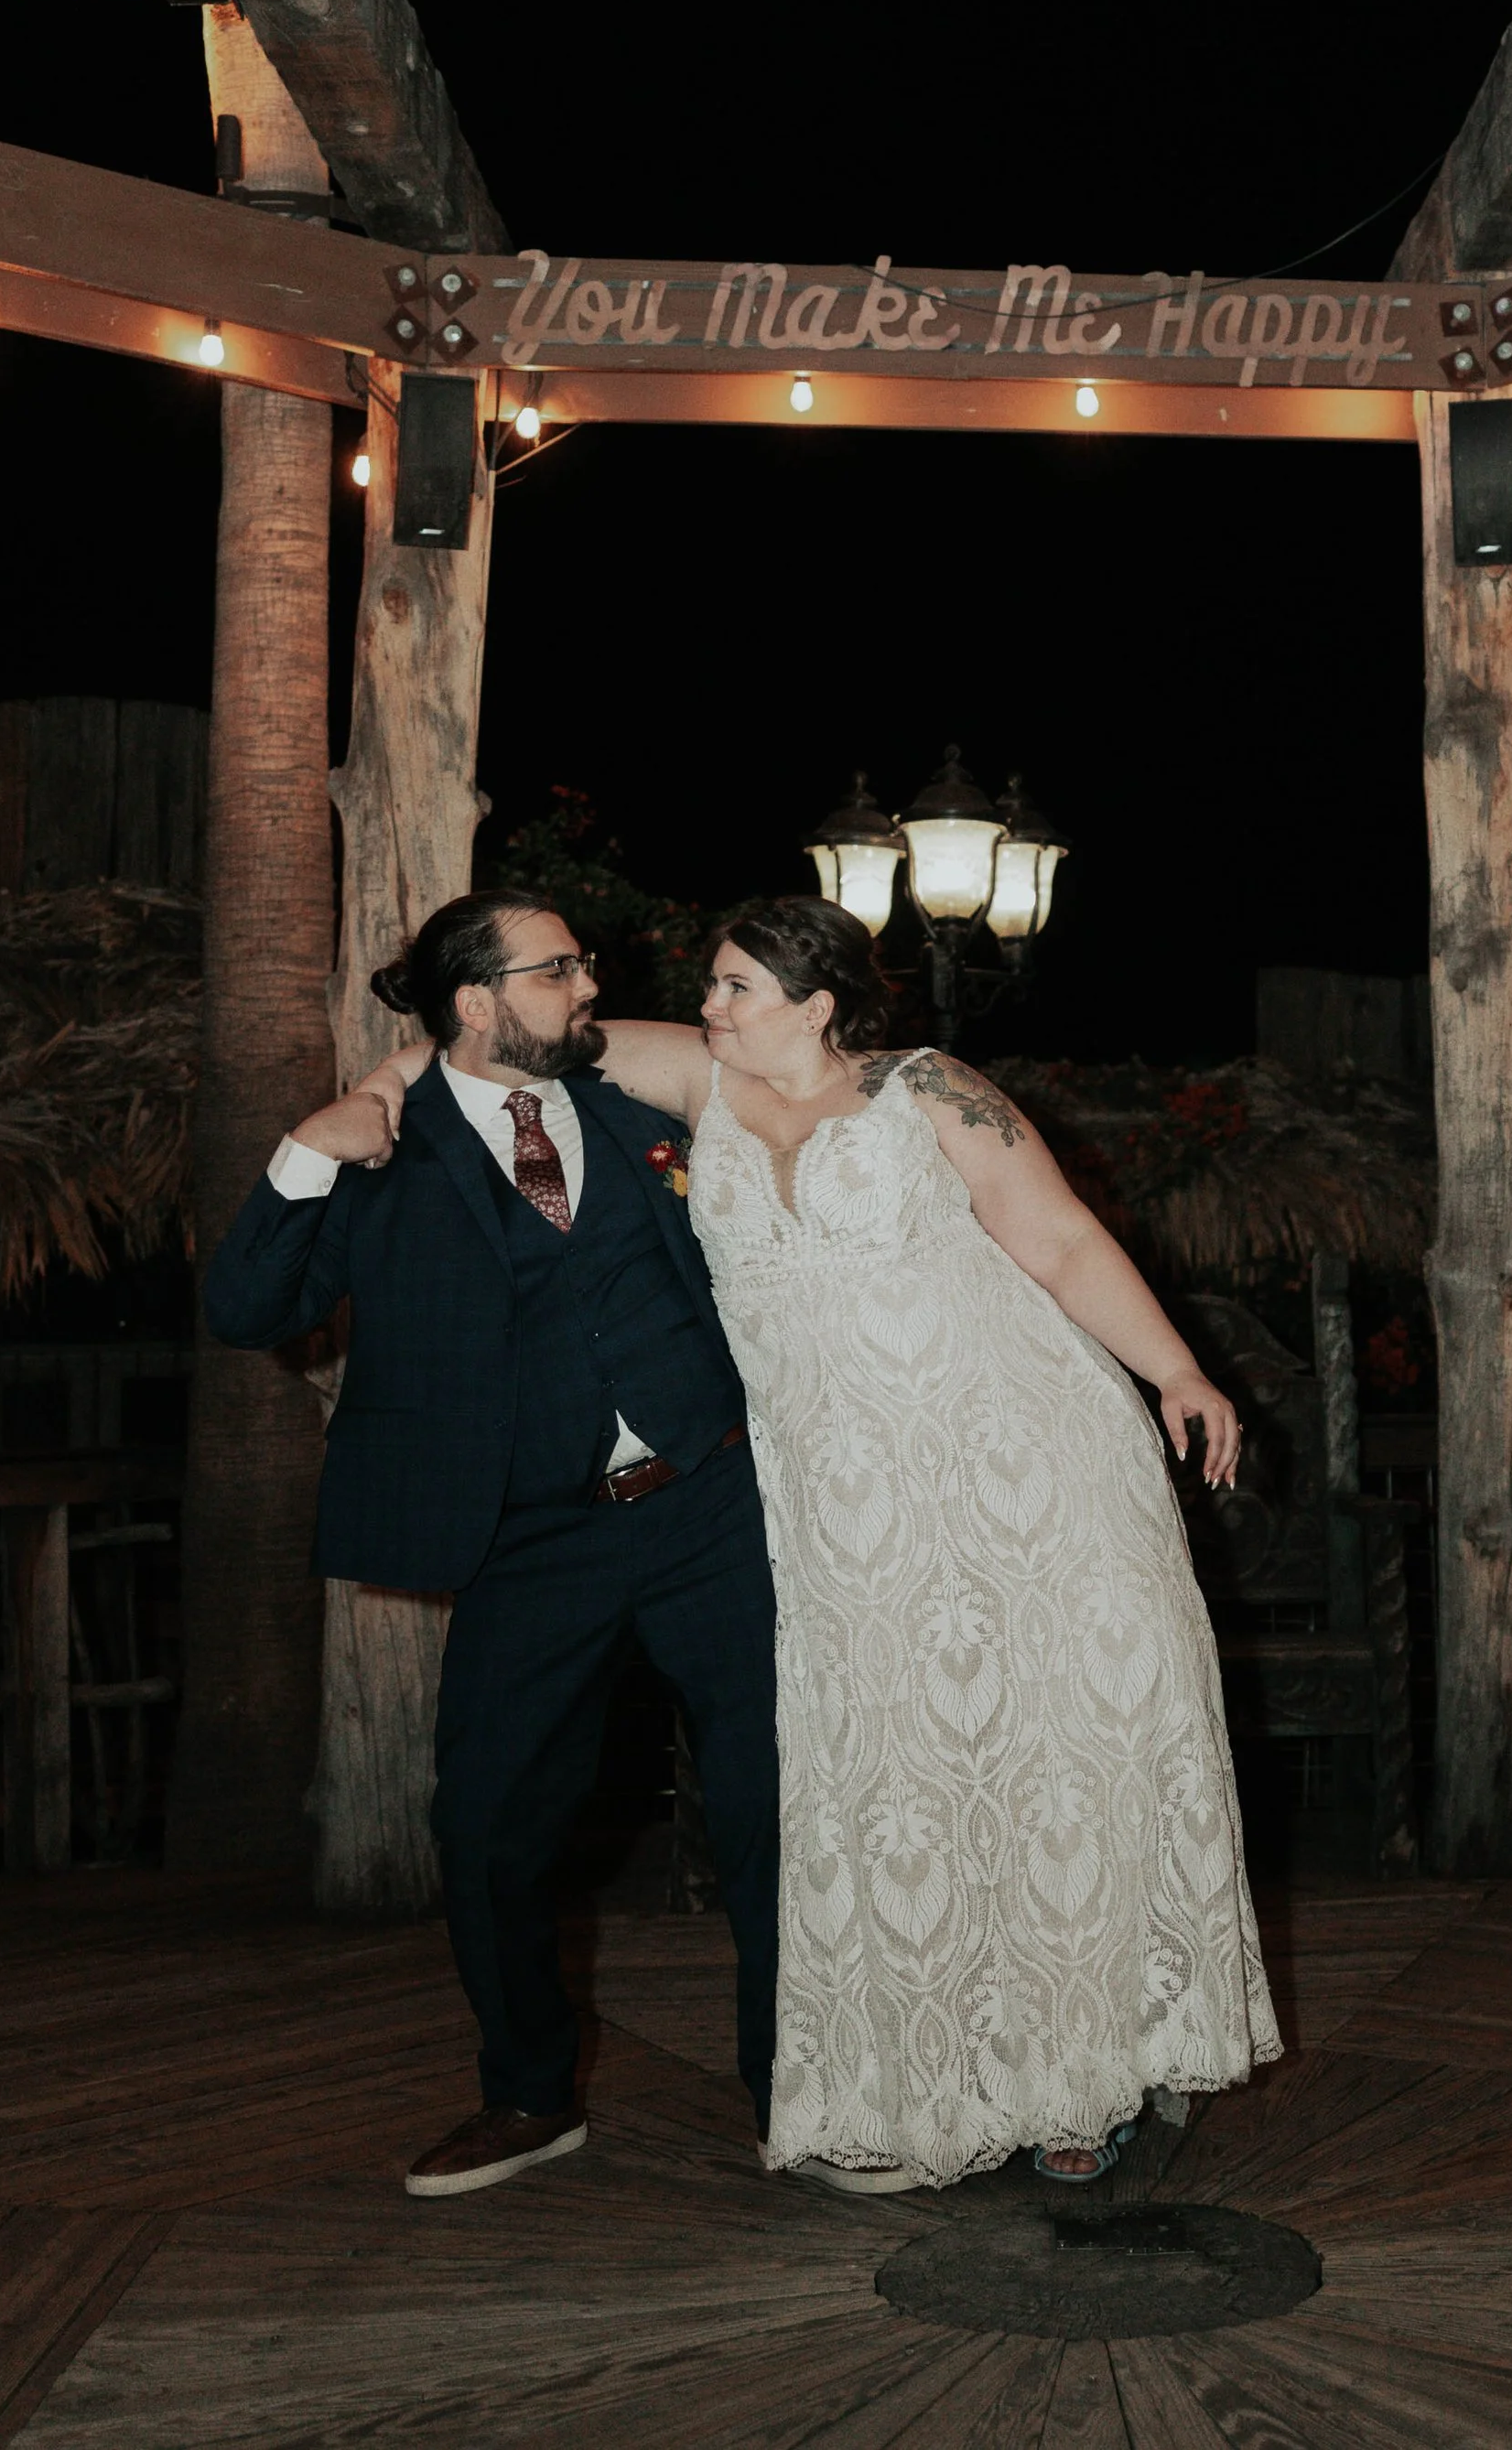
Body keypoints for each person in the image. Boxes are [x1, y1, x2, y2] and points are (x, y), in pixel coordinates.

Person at [368, 896, 1280, 2193]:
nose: (708, 1005)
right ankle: (941, 2075)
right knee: (905, 1785)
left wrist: (1177, 1370)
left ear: (818, 1006)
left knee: (1049, 1766)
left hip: (1018, 1470)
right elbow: (487, 1041)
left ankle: (1085, 2076)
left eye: (736, 986)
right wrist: (373, 1090)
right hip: (843, 1516)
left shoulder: (930, 1089)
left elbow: (1062, 1237)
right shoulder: (701, 1080)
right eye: (711, 984)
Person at [202, 892, 780, 2203]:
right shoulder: (379, 1155)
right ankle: (528, 2094)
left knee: (771, 1805)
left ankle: (795, 2089)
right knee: (487, 1823)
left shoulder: (637, 1117)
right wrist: (307, 1146)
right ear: (478, 1001)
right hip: (528, 1536)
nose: (591, 984)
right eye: (560, 968)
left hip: (708, 1507)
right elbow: (246, 1307)